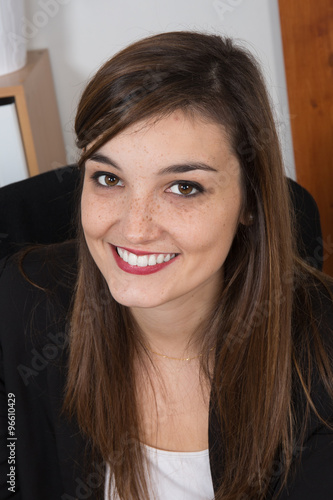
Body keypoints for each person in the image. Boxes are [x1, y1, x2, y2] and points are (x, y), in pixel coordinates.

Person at [0, 31, 332, 500]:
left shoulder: (320, 366)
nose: (135, 230)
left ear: (250, 201)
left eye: (183, 188)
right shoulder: (24, 305)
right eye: (108, 178)